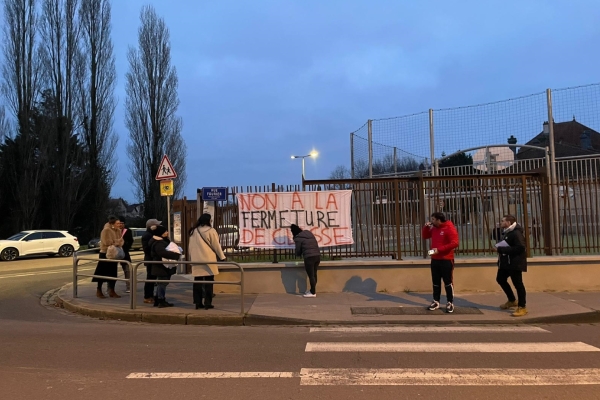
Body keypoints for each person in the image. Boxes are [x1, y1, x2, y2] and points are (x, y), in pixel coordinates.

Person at [421, 212, 459, 313]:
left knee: (447, 282)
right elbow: (425, 236)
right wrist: (425, 228)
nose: (431, 221)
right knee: (435, 282)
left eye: (433, 219)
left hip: (446, 259)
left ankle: (450, 302)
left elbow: (455, 243)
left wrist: (440, 249)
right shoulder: (433, 228)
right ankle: (436, 301)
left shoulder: (449, 228)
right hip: (435, 259)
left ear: (438, 220)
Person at [188, 214, 226, 310]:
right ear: (209, 220)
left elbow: (190, 247)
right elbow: (216, 245)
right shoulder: (211, 231)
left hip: (196, 260)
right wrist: (222, 257)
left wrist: (191, 258)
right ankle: (207, 303)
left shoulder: (194, 231)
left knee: (197, 282)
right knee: (209, 282)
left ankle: (197, 302)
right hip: (208, 259)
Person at [496, 214, 528, 317]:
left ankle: (522, 307)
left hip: (515, 263)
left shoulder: (516, 233)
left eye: (502, 221)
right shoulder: (508, 232)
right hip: (506, 263)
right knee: (500, 279)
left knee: (518, 284)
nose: (500, 222)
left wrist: (501, 249)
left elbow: (520, 248)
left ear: (508, 223)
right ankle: (512, 300)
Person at [148, 225, 181, 308]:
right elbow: (162, 253)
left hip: (161, 266)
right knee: (162, 283)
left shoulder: (161, 241)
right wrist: (176, 255)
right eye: (165, 231)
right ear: (160, 233)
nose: (167, 232)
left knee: (161, 283)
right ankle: (161, 300)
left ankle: (158, 299)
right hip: (161, 266)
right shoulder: (159, 243)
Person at [92, 216, 124, 299]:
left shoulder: (118, 230)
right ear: (112, 224)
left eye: (120, 223)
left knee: (113, 272)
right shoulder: (106, 230)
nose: (119, 225)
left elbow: (121, 241)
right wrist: (116, 242)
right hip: (105, 253)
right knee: (102, 272)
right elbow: (106, 242)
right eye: (117, 223)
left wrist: (117, 242)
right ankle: (99, 289)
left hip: (114, 253)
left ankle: (112, 290)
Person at [290, 224, 321, 298]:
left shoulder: (298, 238)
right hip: (317, 255)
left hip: (309, 257)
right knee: (314, 274)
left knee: (311, 275)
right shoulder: (309, 233)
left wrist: (298, 254)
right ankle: (312, 290)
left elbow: (298, 251)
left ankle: (313, 292)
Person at [142, 218, 161, 304]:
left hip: (152, 259)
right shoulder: (147, 235)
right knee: (150, 278)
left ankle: (150, 294)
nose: (158, 226)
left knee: (152, 278)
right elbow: (147, 248)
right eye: (157, 225)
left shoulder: (151, 234)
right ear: (152, 226)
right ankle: (147, 296)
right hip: (150, 259)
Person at [118, 216, 133, 293]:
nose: (121, 225)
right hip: (115, 253)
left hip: (125, 253)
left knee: (127, 270)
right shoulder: (114, 231)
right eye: (119, 223)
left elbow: (131, 241)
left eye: (122, 223)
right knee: (111, 270)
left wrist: (126, 248)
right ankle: (110, 288)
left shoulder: (128, 231)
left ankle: (129, 287)